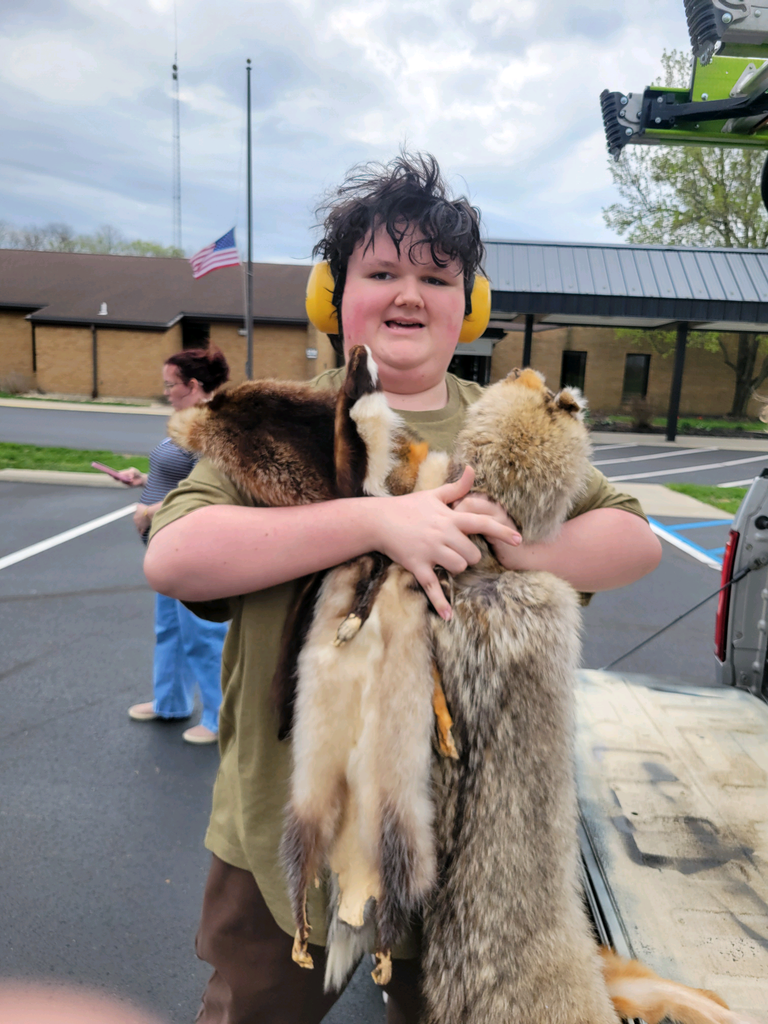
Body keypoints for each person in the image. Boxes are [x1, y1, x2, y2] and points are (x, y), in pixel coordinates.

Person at [144, 154, 662, 1022]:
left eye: (435, 275)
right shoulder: (268, 417)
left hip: (465, 851)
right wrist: (378, 523)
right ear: (332, 295)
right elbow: (177, 556)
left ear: (472, 304)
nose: (408, 293)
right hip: (283, 835)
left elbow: (633, 541)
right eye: (380, 271)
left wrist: (499, 548)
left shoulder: (519, 425)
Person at [122, 347, 230, 746]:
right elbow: (179, 473)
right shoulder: (188, 422)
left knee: (203, 636)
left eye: (171, 385)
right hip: (164, 545)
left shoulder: (213, 427)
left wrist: (154, 508)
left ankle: (220, 720)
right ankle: (170, 701)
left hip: (192, 547)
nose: (166, 391)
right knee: (169, 629)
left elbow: (216, 492)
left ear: (194, 385)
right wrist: (142, 479)